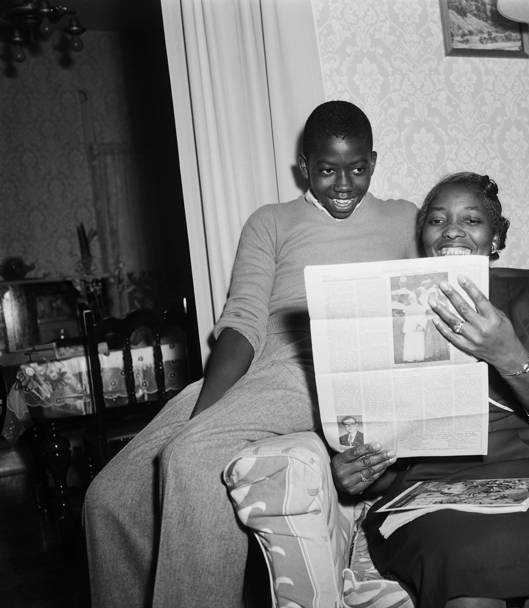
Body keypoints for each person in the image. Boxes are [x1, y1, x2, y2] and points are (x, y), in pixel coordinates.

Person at [82, 100, 420, 608]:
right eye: (328, 170)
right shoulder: (270, 221)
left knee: (192, 458)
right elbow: (242, 321)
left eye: (357, 169)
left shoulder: (405, 218)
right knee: (107, 499)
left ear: (373, 161)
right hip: (262, 362)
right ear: (304, 168)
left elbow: (453, 275)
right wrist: (205, 413)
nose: (344, 184)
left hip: (328, 359)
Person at [331, 172, 529, 608]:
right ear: (424, 237)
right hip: (432, 486)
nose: (452, 229)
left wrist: (508, 354)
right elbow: (387, 444)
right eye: (437, 220)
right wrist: (358, 473)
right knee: (467, 579)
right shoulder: (388, 303)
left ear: (494, 239)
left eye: (471, 220)